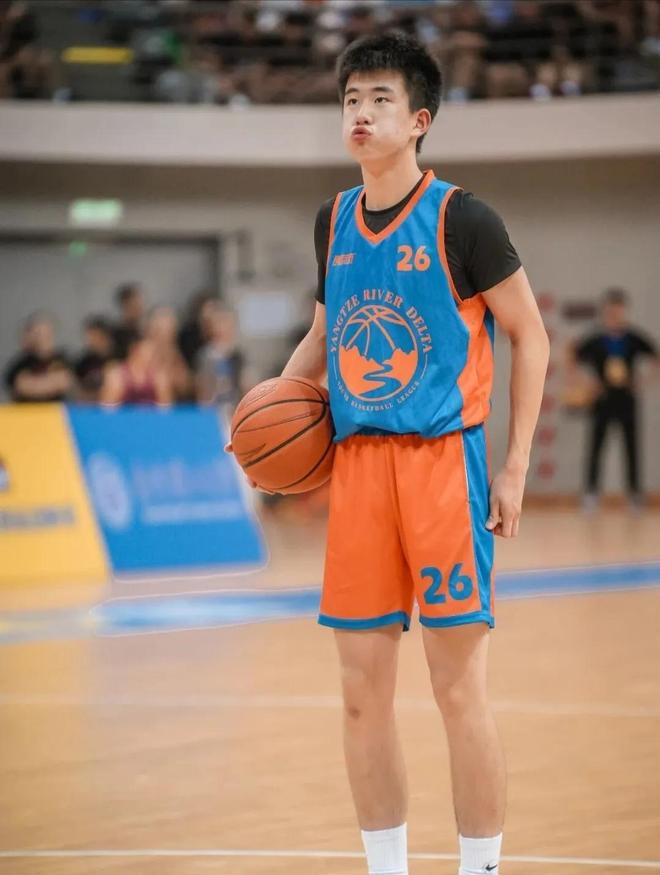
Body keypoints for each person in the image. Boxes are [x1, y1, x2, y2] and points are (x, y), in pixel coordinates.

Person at [227, 31, 550, 875]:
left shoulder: (465, 219)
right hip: (360, 471)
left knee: (457, 690)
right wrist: (269, 409)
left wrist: (514, 467)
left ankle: (479, 868)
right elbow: (324, 336)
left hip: (444, 466)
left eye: (379, 99)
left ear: (420, 120)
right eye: (350, 99)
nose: (360, 114)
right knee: (360, 693)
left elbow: (532, 336)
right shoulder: (331, 219)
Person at [570, 287, 659, 510]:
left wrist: (643, 381)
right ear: (605, 311)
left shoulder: (633, 338)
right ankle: (591, 494)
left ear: (624, 311)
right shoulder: (596, 339)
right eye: (611, 310)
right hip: (602, 399)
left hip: (626, 399)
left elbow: (655, 355)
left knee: (631, 447)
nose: (615, 314)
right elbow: (572, 355)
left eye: (619, 310)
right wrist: (588, 383)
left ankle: (634, 495)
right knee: (596, 446)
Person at [4, 312, 73, 402]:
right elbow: (20, 386)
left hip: (57, 410)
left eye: (45, 334)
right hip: (28, 410)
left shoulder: (63, 360)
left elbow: (64, 382)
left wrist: (35, 384)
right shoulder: (21, 363)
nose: (42, 339)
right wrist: (49, 383)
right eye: (38, 334)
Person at [100, 330, 171, 406]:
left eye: (154, 353)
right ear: (135, 351)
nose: (153, 357)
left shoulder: (159, 375)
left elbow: (166, 407)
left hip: (151, 413)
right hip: (124, 413)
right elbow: (107, 407)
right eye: (149, 353)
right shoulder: (117, 375)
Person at [195, 305, 245, 409]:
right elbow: (202, 388)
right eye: (219, 323)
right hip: (213, 407)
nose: (222, 329)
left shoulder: (238, 354)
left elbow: (245, 382)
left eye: (226, 324)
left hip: (235, 406)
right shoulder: (205, 356)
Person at [146, 305, 191, 401]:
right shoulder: (143, 353)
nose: (168, 333)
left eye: (171, 328)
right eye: (161, 328)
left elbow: (184, 385)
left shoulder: (175, 354)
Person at [74, 315, 114, 402]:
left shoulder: (118, 359)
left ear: (104, 336)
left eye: (93, 336)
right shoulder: (84, 362)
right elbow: (77, 390)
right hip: (90, 405)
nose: (88, 341)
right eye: (88, 337)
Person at [112, 282, 145, 360]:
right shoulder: (117, 335)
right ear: (125, 306)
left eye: (140, 304)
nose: (140, 308)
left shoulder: (145, 329)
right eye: (135, 305)